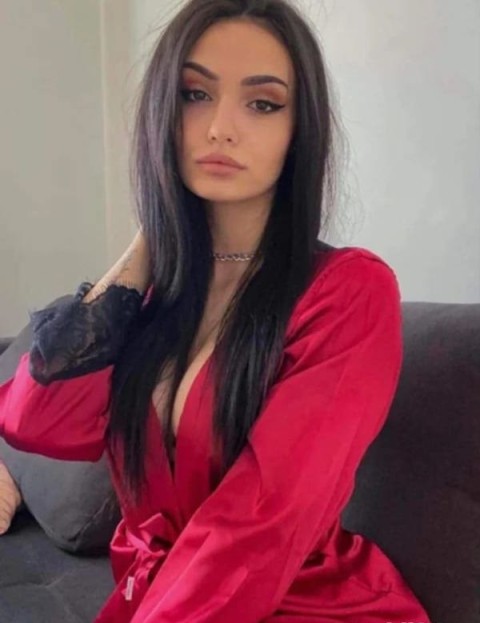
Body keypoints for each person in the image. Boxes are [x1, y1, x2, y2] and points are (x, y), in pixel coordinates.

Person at [0, 1, 433, 621]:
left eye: (262, 104)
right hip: (164, 598)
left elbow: (264, 524)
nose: (220, 129)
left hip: (305, 607)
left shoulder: (348, 292)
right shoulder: (155, 299)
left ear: (299, 131)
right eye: (195, 95)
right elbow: (37, 421)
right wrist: (155, 235)